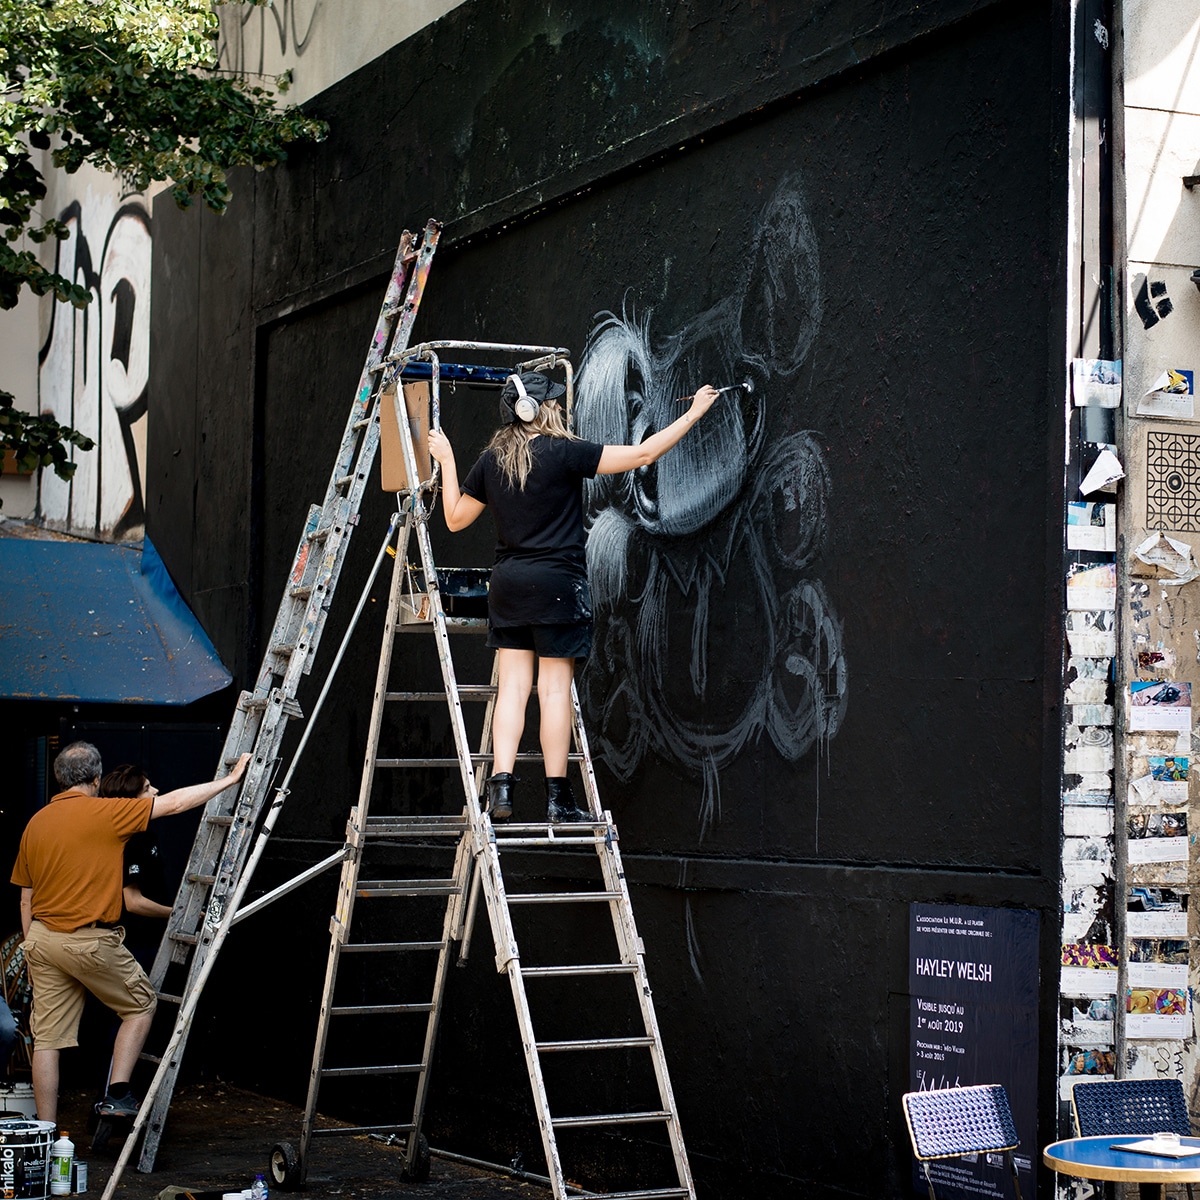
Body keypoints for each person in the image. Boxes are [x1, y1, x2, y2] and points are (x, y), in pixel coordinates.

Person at [428, 370, 718, 823]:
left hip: (507, 587)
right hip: (556, 588)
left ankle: (501, 789)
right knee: (554, 690)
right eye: (554, 402)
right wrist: (695, 413)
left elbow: (454, 519)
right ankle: (558, 800)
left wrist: (446, 459)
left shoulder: (490, 462)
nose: (560, 407)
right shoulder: (564, 452)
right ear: (537, 409)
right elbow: (643, 453)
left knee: (513, 690)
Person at [10, 740, 250, 1124]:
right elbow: (174, 803)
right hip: (88, 939)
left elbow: (26, 899)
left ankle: (47, 1136)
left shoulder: (36, 822)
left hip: (40, 939)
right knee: (140, 1006)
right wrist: (230, 779)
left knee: (48, 1041)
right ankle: (118, 1094)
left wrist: (32, 948)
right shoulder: (106, 813)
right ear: (95, 777)